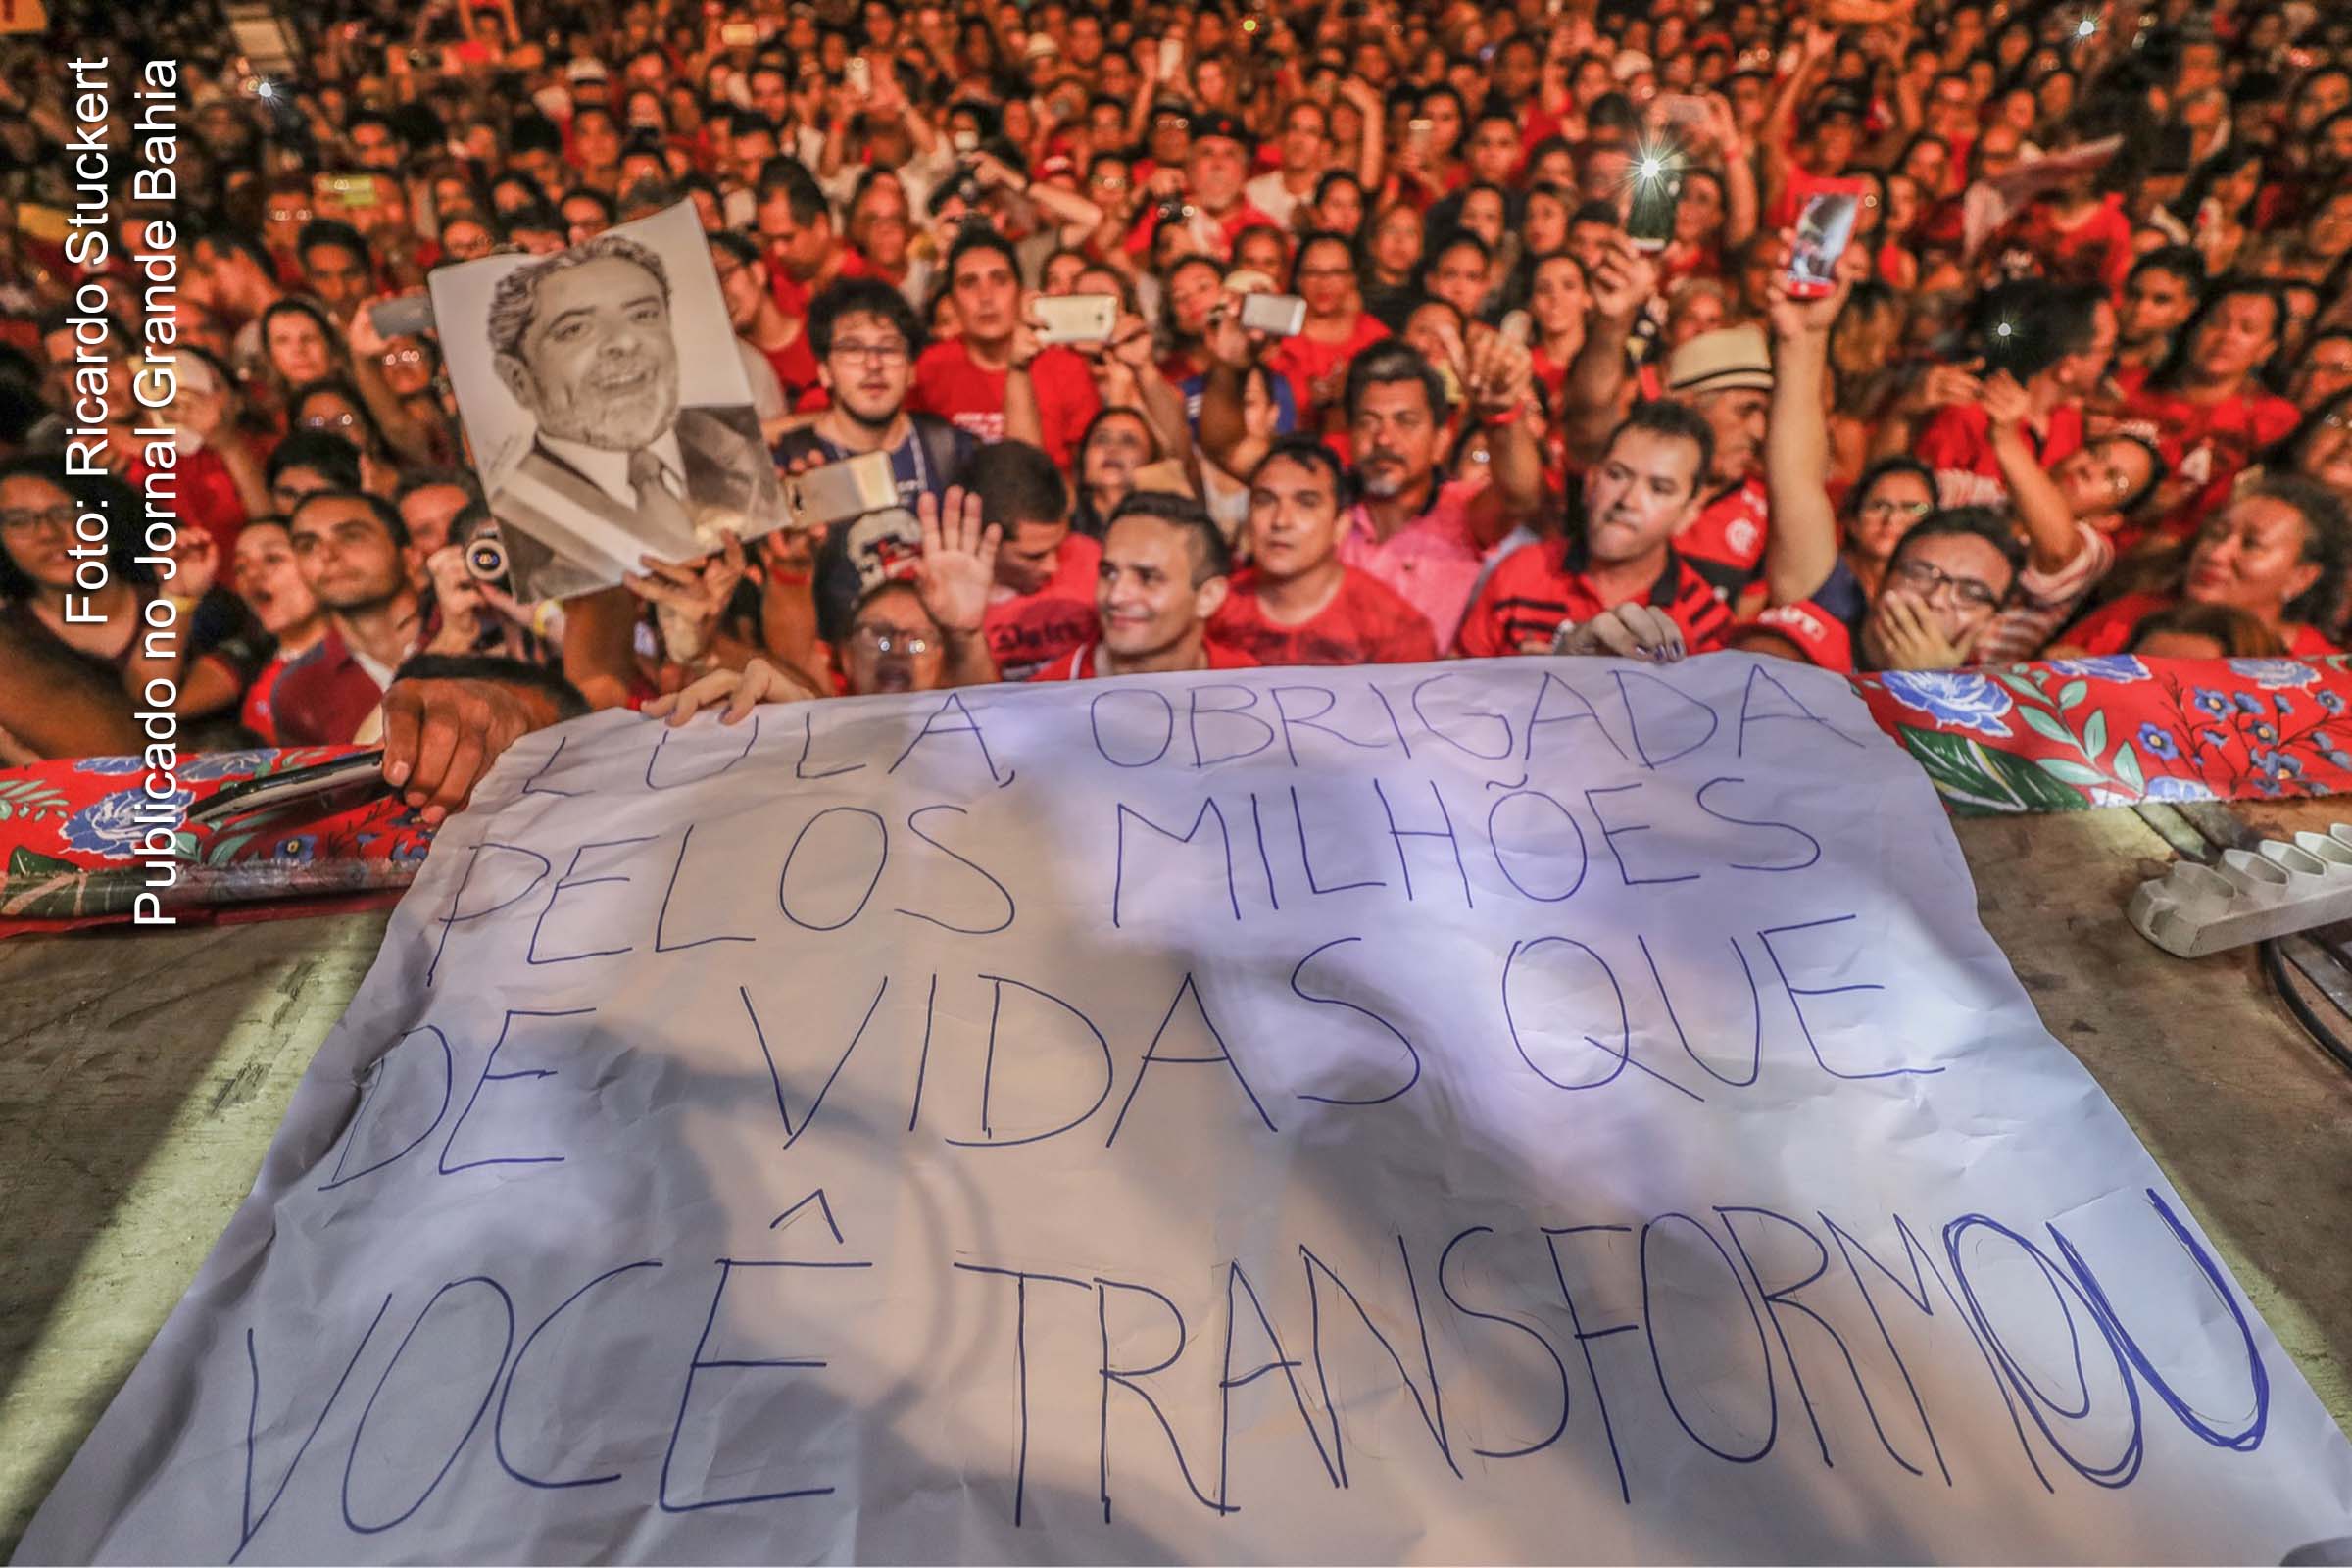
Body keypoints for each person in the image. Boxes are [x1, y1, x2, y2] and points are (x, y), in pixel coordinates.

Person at [484, 232, 780, 599]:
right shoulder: (516, 527)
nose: (623, 342)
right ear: (518, 378)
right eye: (575, 329)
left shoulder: (741, 444)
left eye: (643, 315)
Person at [1457, 402, 1736, 659]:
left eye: (1659, 489)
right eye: (1617, 474)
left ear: (1690, 512)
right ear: (1590, 482)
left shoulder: (1707, 624)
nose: (1627, 500)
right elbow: (1453, 691)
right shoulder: (1520, 573)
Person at [2055, 477, 2351, 659]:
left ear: (2302, 578)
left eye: (2251, 544)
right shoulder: (2130, 612)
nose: (2217, 554)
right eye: (2216, 534)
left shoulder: (2318, 670)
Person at [1209, 436, 1440, 667]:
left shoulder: (1394, 630)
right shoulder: (1212, 609)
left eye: (1306, 503)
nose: (1280, 521)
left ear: (1341, 525)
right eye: (1265, 500)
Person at [909, 226, 1101, 467]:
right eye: (969, 283)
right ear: (953, 301)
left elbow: (1085, 475)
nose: (986, 297)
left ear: (1021, 291)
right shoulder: (931, 366)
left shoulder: (1067, 367)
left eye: (999, 280)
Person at [1031, 491, 1256, 679]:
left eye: (1147, 577)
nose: (1116, 596)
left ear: (1208, 597)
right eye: (1108, 573)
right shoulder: (1047, 697)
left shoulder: (1250, 684)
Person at [272, 490, 428, 745]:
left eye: (351, 537)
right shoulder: (298, 689)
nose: (327, 555)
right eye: (307, 545)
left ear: (409, 555)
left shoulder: (472, 631)